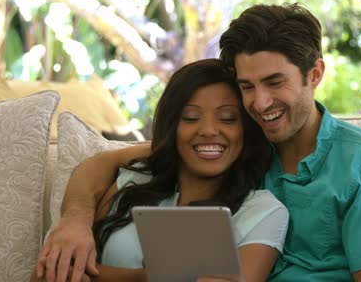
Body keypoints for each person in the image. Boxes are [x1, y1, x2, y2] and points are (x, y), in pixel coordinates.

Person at [36, 3, 361, 282]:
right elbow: (105, 162)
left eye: (275, 82)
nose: (260, 104)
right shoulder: (238, 147)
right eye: (248, 87)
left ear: (315, 74)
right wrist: (74, 222)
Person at [33, 59, 288, 282]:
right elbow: (45, 276)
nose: (209, 130)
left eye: (228, 118)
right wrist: (139, 278)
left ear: (246, 129)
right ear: (172, 126)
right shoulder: (134, 180)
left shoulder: (262, 211)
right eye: (190, 117)